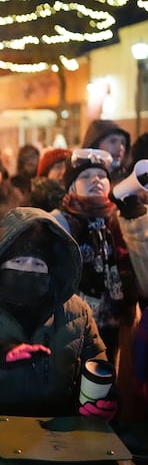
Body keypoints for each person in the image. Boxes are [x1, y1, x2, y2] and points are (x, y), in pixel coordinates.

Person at [0, 206, 117, 423]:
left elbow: (97, 370)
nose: (27, 270)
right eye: (17, 262)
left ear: (52, 270)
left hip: (59, 439)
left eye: (38, 263)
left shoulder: (77, 312)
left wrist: (104, 402)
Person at [51, 148, 144, 364]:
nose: (96, 180)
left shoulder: (121, 221)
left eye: (102, 176)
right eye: (85, 176)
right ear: (71, 185)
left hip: (118, 326)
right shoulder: (58, 223)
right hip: (70, 329)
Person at [82, 119, 132, 185]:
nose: (120, 148)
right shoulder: (80, 179)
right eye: (113, 141)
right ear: (95, 145)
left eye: (123, 143)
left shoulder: (128, 181)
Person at [30, 147, 71, 212]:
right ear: (45, 174)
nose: (64, 171)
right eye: (58, 167)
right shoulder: (33, 203)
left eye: (68, 167)